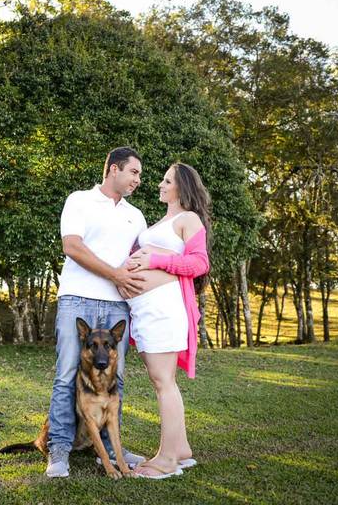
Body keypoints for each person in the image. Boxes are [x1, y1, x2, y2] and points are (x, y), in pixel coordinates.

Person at [45, 147, 148, 478]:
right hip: (78, 299)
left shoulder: (136, 216)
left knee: (115, 377)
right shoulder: (79, 200)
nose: (138, 180)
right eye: (134, 173)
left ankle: (108, 444)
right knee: (66, 375)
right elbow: (72, 247)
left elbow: (144, 259)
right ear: (114, 169)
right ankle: (59, 449)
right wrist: (115, 275)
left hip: (118, 306)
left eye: (140, 175)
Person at [121, 162, 211, 479]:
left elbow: (199, 263)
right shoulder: (164, 220)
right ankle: (181, 448)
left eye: (166, 180)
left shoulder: (188, 218)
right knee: (161, 382)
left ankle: (167, 459)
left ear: (181, 187)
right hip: (147, 310)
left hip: (164, 309)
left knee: (164, 383)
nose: (160, 184)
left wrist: (155, 259)